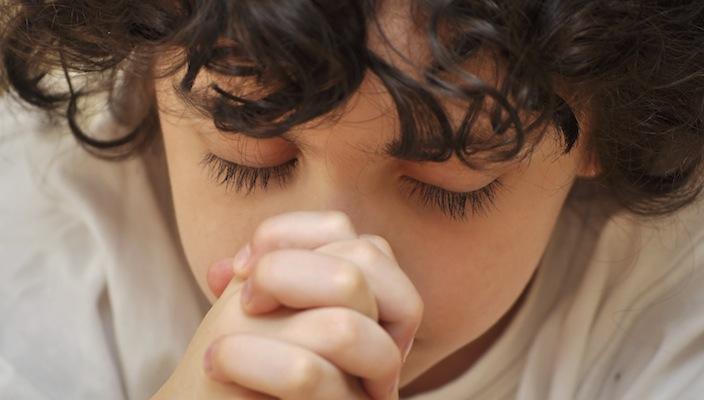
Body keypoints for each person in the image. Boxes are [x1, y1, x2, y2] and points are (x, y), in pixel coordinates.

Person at [1, 1, 704, 399]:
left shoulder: (675, 312)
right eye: (246, 155)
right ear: (146, 72)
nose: (336, 259)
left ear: (613, 120)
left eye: (449, 183)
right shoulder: (36, 233)